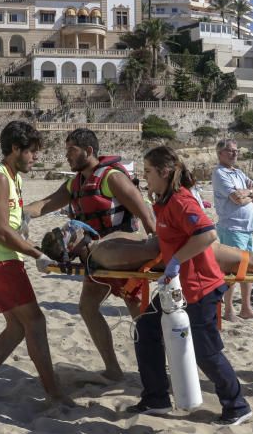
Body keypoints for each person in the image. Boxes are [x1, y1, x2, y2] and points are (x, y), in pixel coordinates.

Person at [129, 146, 252, 425]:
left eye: (148, 172)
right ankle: (156, 398)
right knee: (146, 329)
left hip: (199, 287)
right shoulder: (165, 201)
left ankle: (237, 405)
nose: (145, 177)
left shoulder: (182, 202)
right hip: (177, 288)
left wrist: (176, 261)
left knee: (206, 351)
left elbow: (207, 235)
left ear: (164, 172)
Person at [24, 128, 155, 381]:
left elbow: (145, 213)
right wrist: (20, 213)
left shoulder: (112, 177)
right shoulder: (76, 183)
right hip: (96, 259)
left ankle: (159, 369)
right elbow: (45, 204)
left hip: (125, 254)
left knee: (138, 311)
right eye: (67, 151)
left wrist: (159, 250)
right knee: (87, 307)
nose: (67, 156)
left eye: (71, 150)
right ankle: (114, 370)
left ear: (89, 151)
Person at [0, 121, 65, 404]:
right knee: (35, 322)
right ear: (14, 149)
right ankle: (54, 393)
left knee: (16, 327)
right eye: (32, 152)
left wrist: (30, 240)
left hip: (0, 258)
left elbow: (12, 223)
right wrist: (38, 255)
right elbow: (1, 231)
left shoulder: (14, 178)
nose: (36, 157)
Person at [40, 221, 253, 279]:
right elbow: (151, 249)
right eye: (69, 232)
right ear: (72, 246)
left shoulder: (100, 246)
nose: (73, 227)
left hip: (186, 247)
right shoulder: (103, 253)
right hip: (189, 253)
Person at [212, 139, 253, 320]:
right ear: (220, 154)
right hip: (232, 227)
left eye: (236, 150)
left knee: (248, 269)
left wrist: (247, 193)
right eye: (230, 151)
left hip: (248, 228)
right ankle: (228, 310)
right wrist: (251, 195)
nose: (235, 153)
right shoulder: (219, 173)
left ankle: (246, 309)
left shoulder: (238, 172)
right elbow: (236, 199)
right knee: (231, 270)